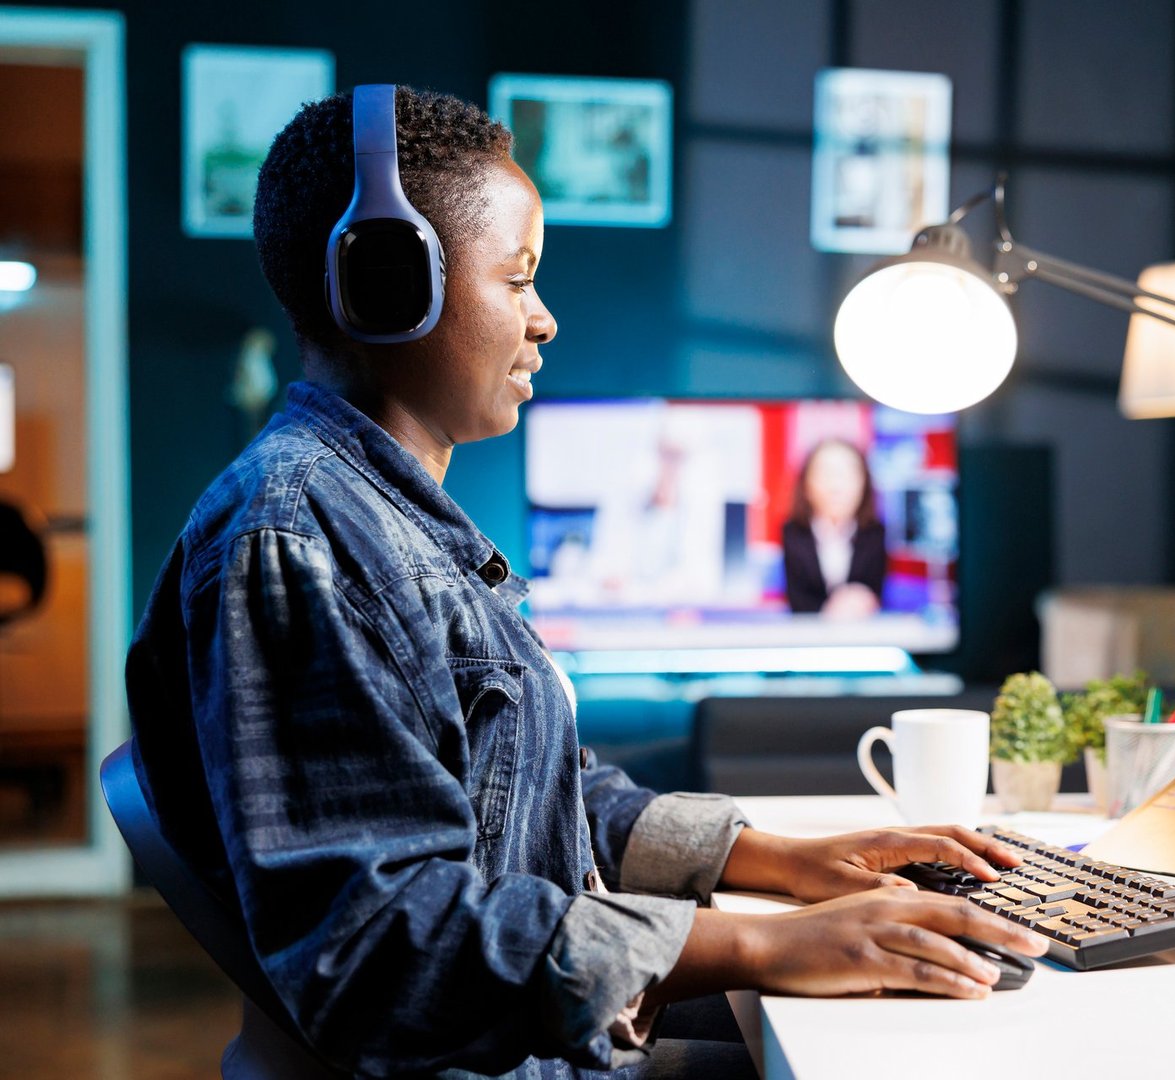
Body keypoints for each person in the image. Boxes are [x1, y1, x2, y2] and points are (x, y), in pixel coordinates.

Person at [123, 86, 1043, 1079]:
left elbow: (530, 796)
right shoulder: (303, 539)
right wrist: (762, 943)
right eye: (517, 279)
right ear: (391, 286)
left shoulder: (382, 516)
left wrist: (780, 861)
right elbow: (383, 950)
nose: (544, 319)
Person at [781, 439, 888, 617]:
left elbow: (878, 595)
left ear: (864, 483)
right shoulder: (793, 533)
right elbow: (797, 603)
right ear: (806, 484)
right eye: (825, 473)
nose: (836, 486)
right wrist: (833, 611)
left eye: (847, 474)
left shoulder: (876, 534)